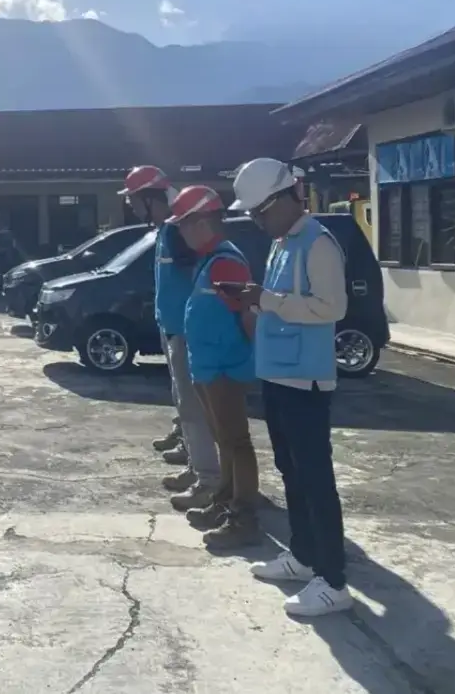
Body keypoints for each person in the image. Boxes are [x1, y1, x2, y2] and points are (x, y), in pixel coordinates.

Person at [231, 157, 353, 617]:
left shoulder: (318, 243)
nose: (256, 221)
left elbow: (332, 307)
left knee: (315, 478)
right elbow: (280, 302)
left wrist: (267, 299)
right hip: (278, 373)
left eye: (259, 212)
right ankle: (303, 557)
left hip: (306, 378)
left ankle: (333, 580)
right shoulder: (282, 244)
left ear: (282, 200)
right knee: (291, 471)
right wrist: (257, 301)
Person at [119, 166, 222, 502]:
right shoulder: (167, 229)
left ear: (150, 198)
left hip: (187, 332)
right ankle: (196, 464)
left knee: (193, 407)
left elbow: (199, 278)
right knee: (184, 402)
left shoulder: (180, 231)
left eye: (135, 201)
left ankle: (208, 479)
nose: (132, 207)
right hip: (173, 328)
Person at [168, 186, 261, 548]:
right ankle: (224, 502)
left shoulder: (225, 261)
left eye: (184, 225)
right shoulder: (209, 260)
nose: (181, 233)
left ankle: (244, 517)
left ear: (202, 223)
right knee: (225, 439)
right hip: (209, 366)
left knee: (236, 441)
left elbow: (246, 314)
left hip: (225, 367)